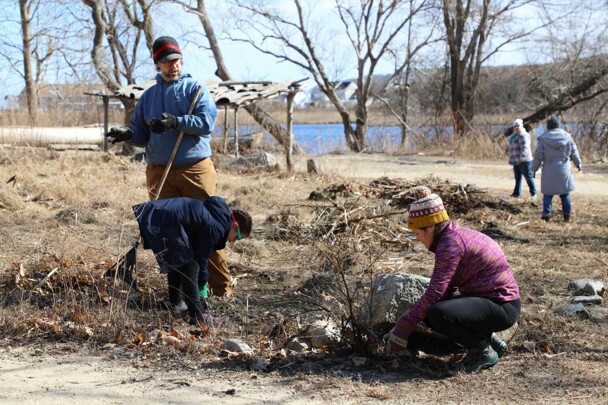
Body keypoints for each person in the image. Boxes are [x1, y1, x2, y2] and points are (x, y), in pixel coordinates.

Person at [106, 36, 234, 297]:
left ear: (182, 60)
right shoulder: (149, 97)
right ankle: (181, 295)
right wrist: (128, 135)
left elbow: (206, 123)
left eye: (175, 60)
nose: (172, 65)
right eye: (166, 62)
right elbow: (141, 133)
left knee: (207, 229)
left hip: (194, 169)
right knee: (168, 235)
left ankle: (221, 289)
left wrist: (176, 122)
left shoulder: (195, 89)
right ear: (157, 65)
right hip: (159, 173)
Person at [386, 186, 521, 374]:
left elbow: (435, 292)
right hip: (494, 302)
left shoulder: (450, 245)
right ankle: (492, 341)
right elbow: (446, 288)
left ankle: (482, 350)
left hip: (502, 306)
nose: (417, 239)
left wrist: (404, 326)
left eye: (417, 233)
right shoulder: (452, 237)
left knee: (438, 314)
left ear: (430, 227)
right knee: (433, 311)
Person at [132, 196, 252, 325]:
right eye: (237, 237)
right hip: (165, 221)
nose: (232, 241)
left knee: (180, 260)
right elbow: (201, 258)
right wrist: (201, 286)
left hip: (158, 215)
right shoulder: (217, 227)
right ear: (235, 226)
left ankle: (175, 302)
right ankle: (198, 316)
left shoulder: (217, 217)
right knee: (190, 264)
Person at [531, 116, 582, 223]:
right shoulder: (568, 137)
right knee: (565, 193)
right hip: (564, 168)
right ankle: (567, 215)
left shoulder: (543, 139)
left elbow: (538, 156)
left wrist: (534, 169)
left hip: (549, 169)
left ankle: (546, 215)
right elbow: (574, 152)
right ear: (558, 125)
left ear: (548, 126)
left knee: (548, 194)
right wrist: (578, 164)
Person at [507, 118, 536, 200]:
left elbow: (525, 148)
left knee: (528, 177)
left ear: (521, 126)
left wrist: (521, 158)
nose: (516, 127)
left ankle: (533, 193)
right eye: (515, 126)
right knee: (518, 178)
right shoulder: (515, 135)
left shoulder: (523, 135)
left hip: (524, 161)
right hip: (516, 161)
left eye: (518, 126)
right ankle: (517, 193)